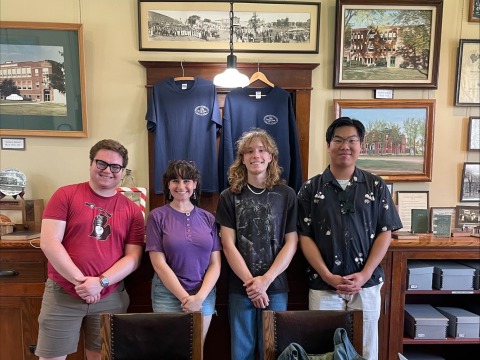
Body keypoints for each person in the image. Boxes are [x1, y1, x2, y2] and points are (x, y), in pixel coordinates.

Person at [297, 117, 402, 360]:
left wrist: (365, 274)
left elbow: (385, 232)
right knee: (324, 349)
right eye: (339, 140)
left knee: (366, 348)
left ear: (361, 146)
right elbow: (305, 236)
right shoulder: (311, 188)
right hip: (324, 285)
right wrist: (326, 275)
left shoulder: (376, 185)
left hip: (366, 283)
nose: (345, 146)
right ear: (328, 145)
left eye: (352, 141)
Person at [35, 139, 145, 360]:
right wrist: (82, 283)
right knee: (51, 357)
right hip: (63, 293)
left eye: (115, 167)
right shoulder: (65, 195)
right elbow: (49, 242)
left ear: (122, 171)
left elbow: (133, 257)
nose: (108, 171)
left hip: (110, 296)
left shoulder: (132, 210)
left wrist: (100, 282)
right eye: (101, 163)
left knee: (102, 357)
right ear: (91, 163)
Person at [216, 128, 298, 360]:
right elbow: (228, 245)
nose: (256, 155)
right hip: (241, 287)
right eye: (249, 151)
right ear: (242, 158)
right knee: (242, 351)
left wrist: (266, 281)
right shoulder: (229, 196)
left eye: (262, 150)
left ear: (271, 156)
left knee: (272, 350)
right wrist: (252, 285)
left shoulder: (287, 194)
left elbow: (291, 242)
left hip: (276, 286)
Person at [145, 160, 221, 343]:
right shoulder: (157, 216)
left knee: (196, 349)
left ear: (195, 184)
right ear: (168, 185)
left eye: (187, 180)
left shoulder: (208, 218)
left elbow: (215, 264)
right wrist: (186, 298)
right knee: (169, 351)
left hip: (203, 294)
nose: (181, 186)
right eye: (175, 181)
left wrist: (199, 298)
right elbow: (158, 263)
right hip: (167, 294)